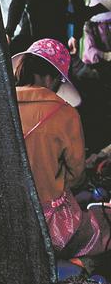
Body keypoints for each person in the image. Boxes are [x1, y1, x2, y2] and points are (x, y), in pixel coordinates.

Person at [14, 39, 111, 258]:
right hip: (50, 227)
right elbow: (76, 176)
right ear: (51, 77)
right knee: (103, 224)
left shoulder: (0, 103)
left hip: (5, 220)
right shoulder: (65, 114)